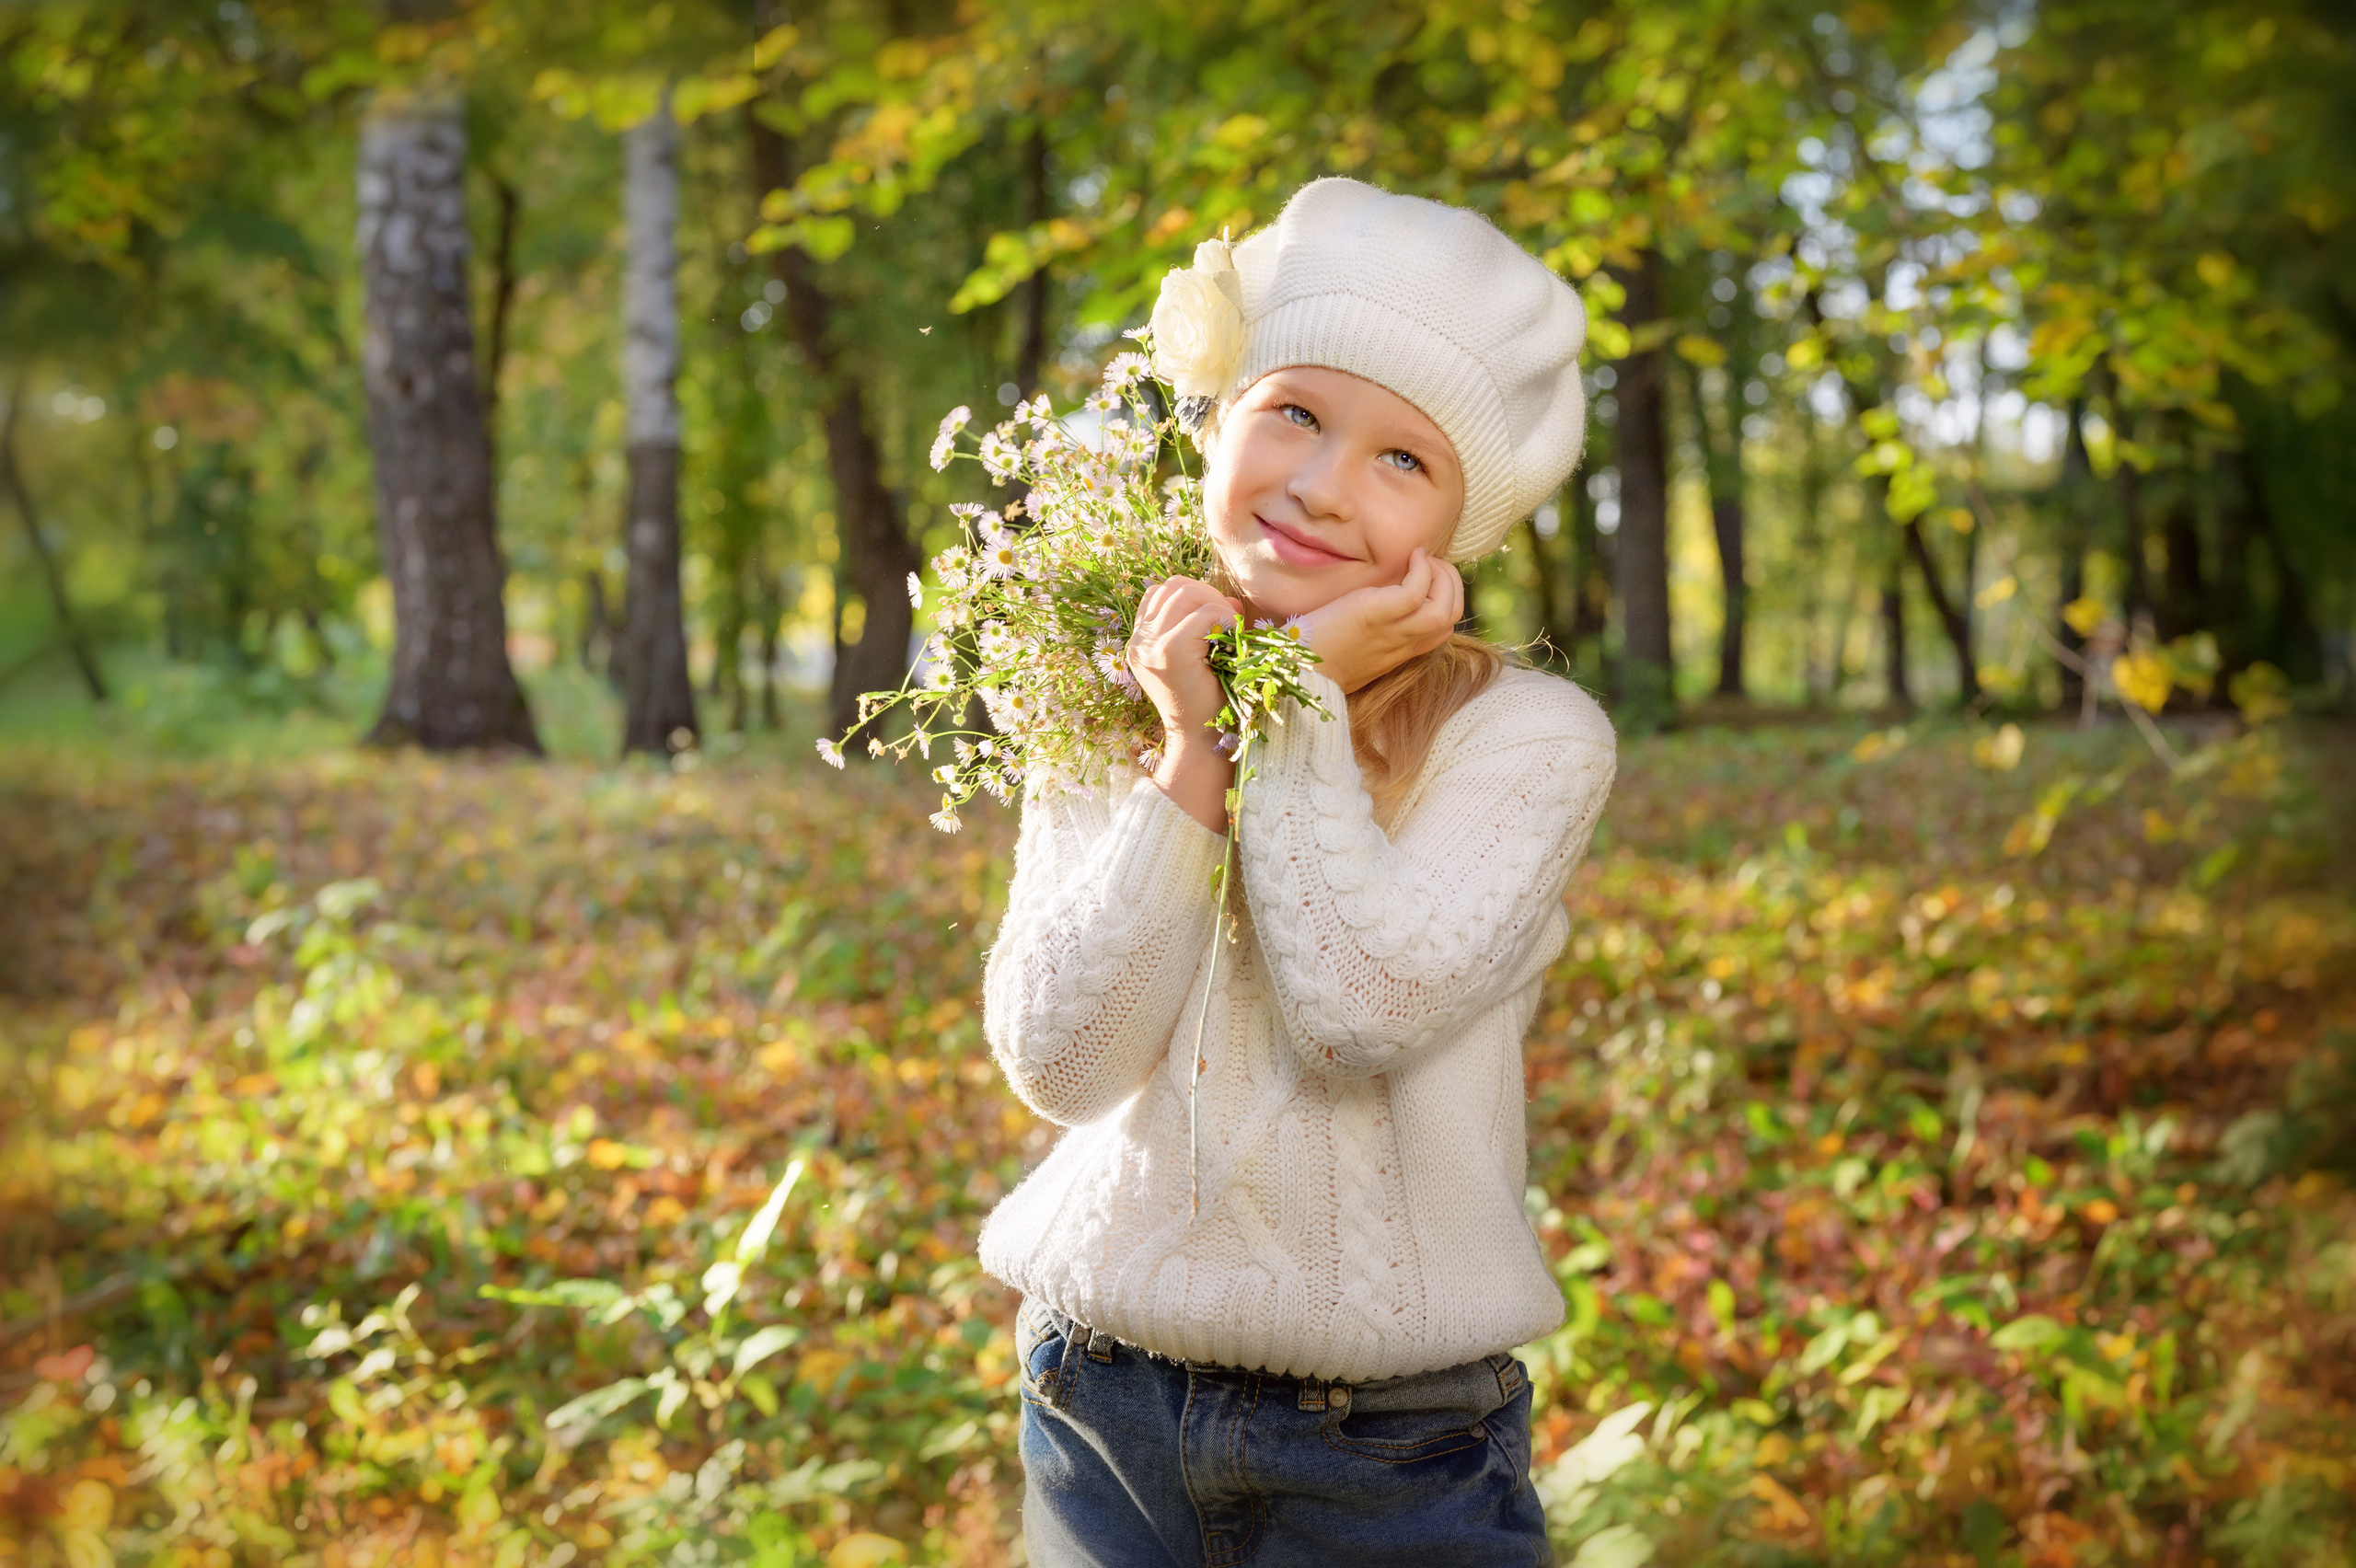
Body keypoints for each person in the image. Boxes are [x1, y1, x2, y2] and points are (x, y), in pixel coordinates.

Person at [977, 177, 1617, 1567]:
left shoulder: (1526, 739)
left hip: (1389, 1450)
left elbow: (1358, 1006)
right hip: (1104, 1409)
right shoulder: (1118, 700)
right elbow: (1066, 1062)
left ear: (1465, 522)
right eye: (1296, 413)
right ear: (1217, 421)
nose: (1324, 485)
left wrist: (1295, 715)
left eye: (1405, 461)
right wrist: (1191, 749)